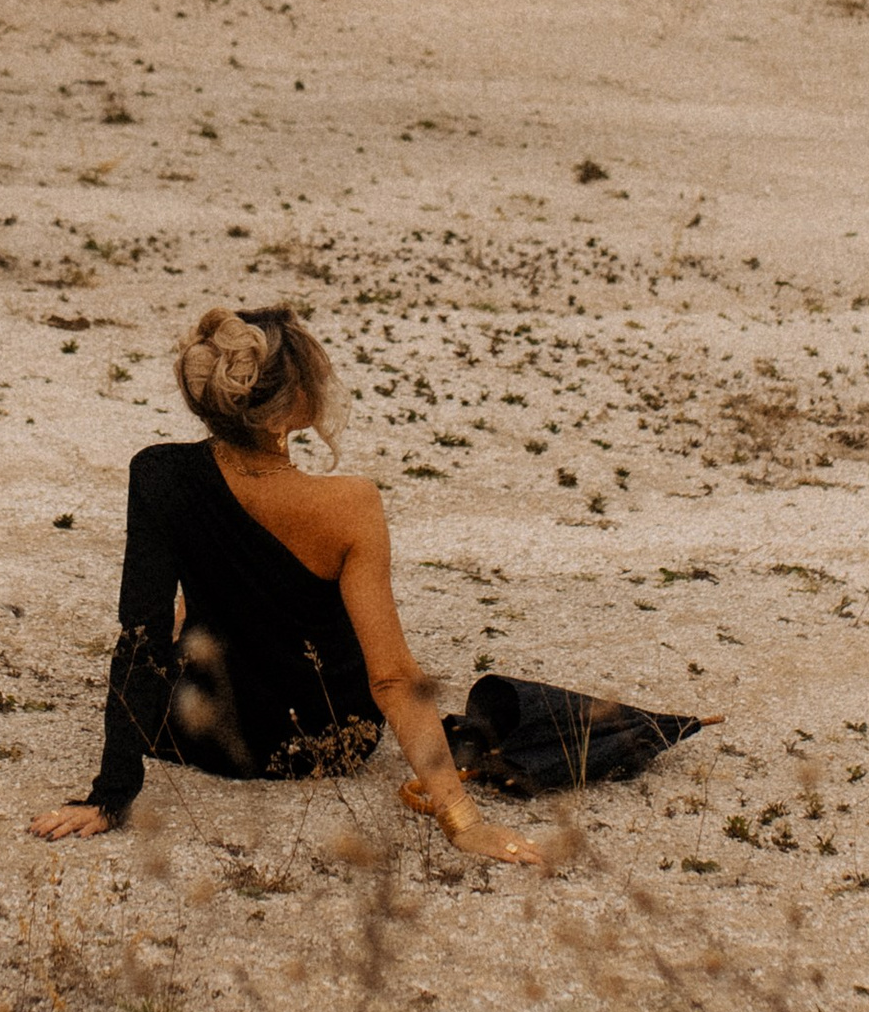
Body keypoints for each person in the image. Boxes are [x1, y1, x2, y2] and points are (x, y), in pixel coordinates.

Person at [29, 304, 546, 864]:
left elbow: (141, 639)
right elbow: (394, 677)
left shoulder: (159, 473)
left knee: (182, 621)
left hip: (205, 736)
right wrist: (462, 820)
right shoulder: (350, 505)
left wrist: (109, 798)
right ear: (288, 408)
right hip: (327, 740)